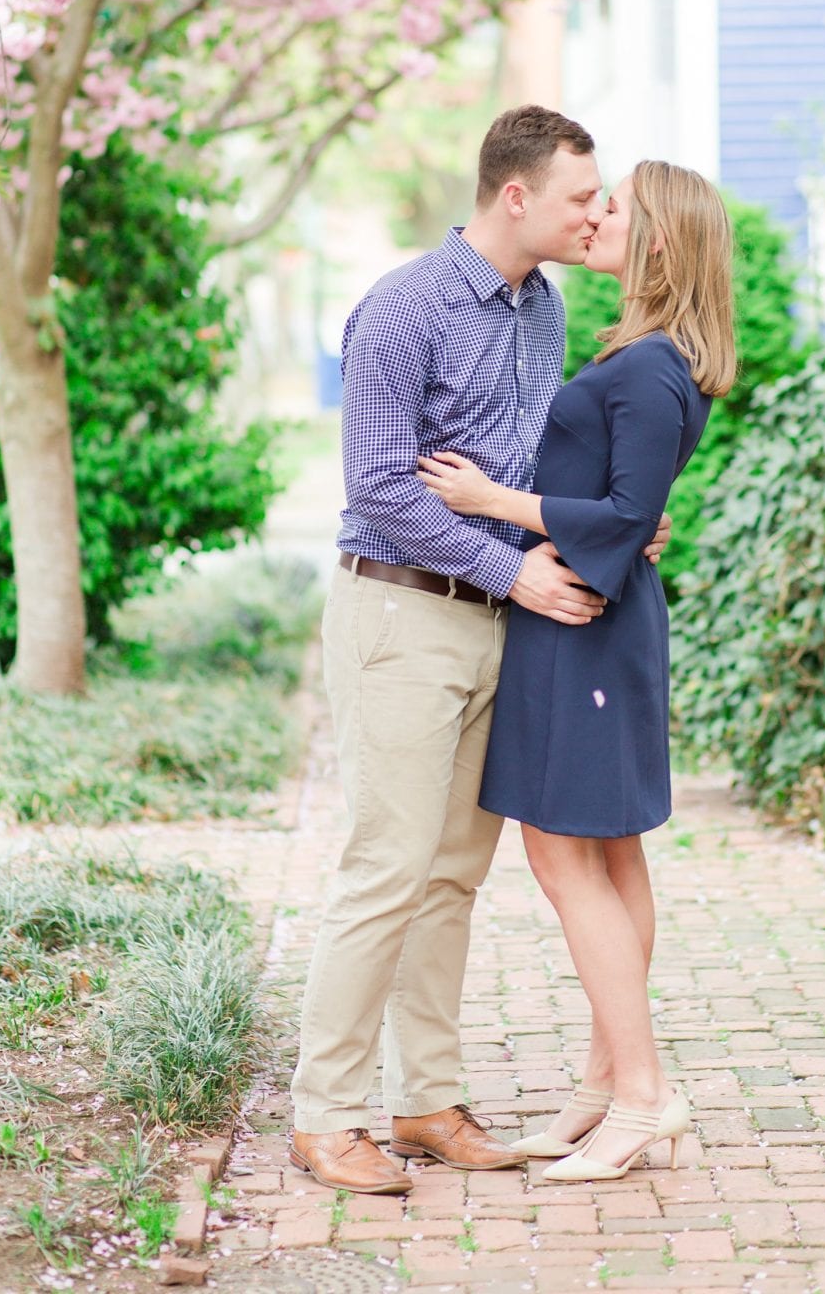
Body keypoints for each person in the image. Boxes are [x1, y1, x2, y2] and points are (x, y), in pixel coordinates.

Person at [288, 106, 670, 1196]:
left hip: (502, 618)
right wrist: (516, 571)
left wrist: (604, 523)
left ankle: (425, 1101)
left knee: (452, 873)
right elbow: (378, 487)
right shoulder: (405, 307)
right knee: (385, 869)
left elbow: (523, 464)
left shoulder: (540, 310)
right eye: (578, 198)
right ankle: (326, 1115)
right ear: (516, 197)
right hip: (402, 616)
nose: (595, 214)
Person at [417, 161, 735, 1183]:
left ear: (656, 242)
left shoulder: (646, 368)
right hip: (596, 620)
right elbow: (633, 511)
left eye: (615, 208)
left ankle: (643, 1095)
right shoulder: (644, 353)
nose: (597, 216)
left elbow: (625, 520)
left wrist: (488, 502)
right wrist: (613, 522)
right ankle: (608, 1083)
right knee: (610, 857)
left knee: (562, 858)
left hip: (584, 624)